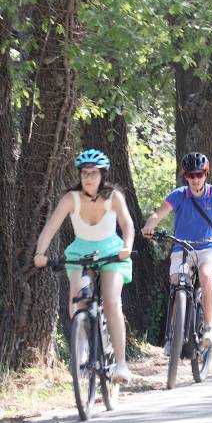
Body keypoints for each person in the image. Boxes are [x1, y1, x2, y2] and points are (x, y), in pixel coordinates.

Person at [34, 149, 133, 383]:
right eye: (84, 173)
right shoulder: (71, 199)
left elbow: (127, 224)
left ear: (102, 175)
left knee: (110, 300)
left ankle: (121, 364)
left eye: (93, 173)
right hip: (80, 251)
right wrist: (40, 253)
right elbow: (50, 228)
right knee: (78, 299)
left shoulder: (113, 197)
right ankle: (83, 345)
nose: (88, 178)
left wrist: (127, 246)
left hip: (111, 251)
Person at [141, 152, 212, 349]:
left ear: (206, 174)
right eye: (190, 175)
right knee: (178, 284)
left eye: (199, 174)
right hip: (181, 248)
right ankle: (173, 337)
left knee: (205, 275)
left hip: (208, 248)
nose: (195, 179)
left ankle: (209, 327)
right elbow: (158, 214)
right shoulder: (178, 195)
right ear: (185, 176)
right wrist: (149, 226)